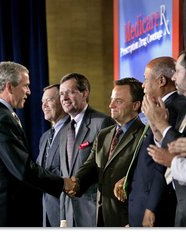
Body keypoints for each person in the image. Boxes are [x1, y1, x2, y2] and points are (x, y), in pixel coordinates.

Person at [0, 61, 74, 227]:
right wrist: (63, 183)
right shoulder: (1, 119)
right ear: (10, 87)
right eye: (25, 86)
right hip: (5, 216)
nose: (28, 91)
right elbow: (23, 169)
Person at [114, 56, 186, 227]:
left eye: (145, 79)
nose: (143, 85)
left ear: (161, 80)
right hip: (143, 202)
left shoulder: (173, 108)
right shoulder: (158, 107)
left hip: (156, 208)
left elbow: (163, 163)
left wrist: (151, 208)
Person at [143, 48, 186, 226]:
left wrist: (163, 125)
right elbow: (169, 145)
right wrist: (157, 129)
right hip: (184, 203)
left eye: (177, 72)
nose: (173, 78)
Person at [69, 77, 145, 226]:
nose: (111, 105)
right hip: (101, 217)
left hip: (127, 218)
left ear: (136, 105)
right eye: (111, 100)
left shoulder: (145, 136)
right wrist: (76, 182)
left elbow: (143, 176)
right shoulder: (104, 134)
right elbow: (91, 165)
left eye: (118, 101)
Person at [59, 72, 115, 227]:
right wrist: (63, 214)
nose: (64, 98)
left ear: (85, 93)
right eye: (61, 94)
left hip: (92, 210)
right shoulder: (63, 130)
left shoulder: (102, 122)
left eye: (70, 92)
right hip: (69, 214)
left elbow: (106, 168)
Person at [36, 84, 69, 227]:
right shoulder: (45, 137)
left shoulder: (73, 131)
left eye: (49, 100)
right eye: (42, 102)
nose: (44, 105)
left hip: (66, 211)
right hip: (47, 211)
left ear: (62, 101)